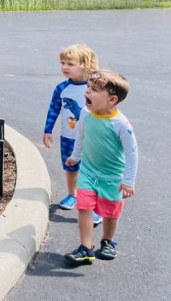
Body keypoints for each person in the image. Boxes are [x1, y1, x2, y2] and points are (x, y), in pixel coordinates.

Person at [64, 69, 138, 264]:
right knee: (83, 207)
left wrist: (128, 181)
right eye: (88, 87)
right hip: (88, 171)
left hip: (112, 176)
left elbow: (132, 153)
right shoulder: (85, 113)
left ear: (112, 100)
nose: (87, 92)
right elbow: (81, 136)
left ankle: (108, 241)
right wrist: (74, 157)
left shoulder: (121, 123)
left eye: (94, 90)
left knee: (110, 212)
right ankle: (86, 247)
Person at [43, 44, 102, 225]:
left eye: (70, 63)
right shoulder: (61, 88)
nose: (64, 67)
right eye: (62, 63)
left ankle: (96, 207)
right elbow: (54, 109)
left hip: (91, 138)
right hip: (68, 137)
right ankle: (72, 195)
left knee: (92, 172)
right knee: (70, 168)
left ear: (85, 65)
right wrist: (48, 130)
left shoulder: (95, 88)